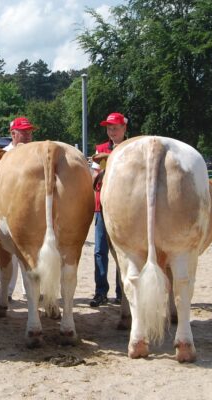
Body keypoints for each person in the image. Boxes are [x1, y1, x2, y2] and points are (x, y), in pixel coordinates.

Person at [0, 116, 35, 301]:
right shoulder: (1, 155)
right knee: (8, 256)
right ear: (13, 133)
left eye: (29, 132)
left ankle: (30, 291)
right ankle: (5, 293)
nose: (27, 135)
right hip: (4, 213)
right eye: (23, 132)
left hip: (28, 212)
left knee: (30, 254)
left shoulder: (35, 153)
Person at [89, 112, 126, 307]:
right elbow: (95, 175)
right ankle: (101, 291)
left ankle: (123, 292)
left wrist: (108, 164)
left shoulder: (132, 148)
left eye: (116, 127)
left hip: (126, 207)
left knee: (124, 250)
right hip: (101, 205)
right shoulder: (100, 149)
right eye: (109, 128)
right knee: (100, 250)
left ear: (124, 128)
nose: (112, 131)